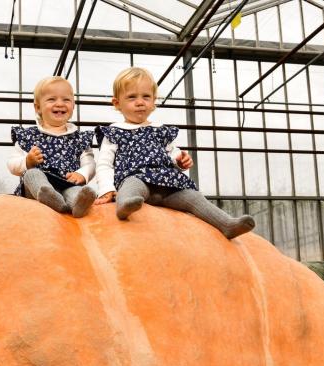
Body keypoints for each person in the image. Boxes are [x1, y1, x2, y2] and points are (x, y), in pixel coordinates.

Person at [94, 67, 255, 239]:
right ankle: (125, 205)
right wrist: (107, 188)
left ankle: (227, 224)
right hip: (138, 179)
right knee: (131, 185)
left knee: (194, 197)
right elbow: (104, 164)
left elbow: (172, 154)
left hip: (168, 185)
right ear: (117, 103)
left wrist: (180, 161)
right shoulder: (114, 132)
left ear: (154, 101)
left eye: (146, 96)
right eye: (132, 97)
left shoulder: (162, 131)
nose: (140, 102)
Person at [7, 76, 97, 218]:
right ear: (38, 107)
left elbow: (90, 163)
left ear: (73, 105)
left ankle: (78, 203)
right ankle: (48, 195)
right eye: (52, 99)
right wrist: (27, 161)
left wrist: (82, 174)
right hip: (37, 188)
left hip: (67, 184)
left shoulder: (79, 138)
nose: (59, 104)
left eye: (66, 100)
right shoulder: (28, 135)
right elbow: (12, 164)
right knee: (32, 174)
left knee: (75, 191)